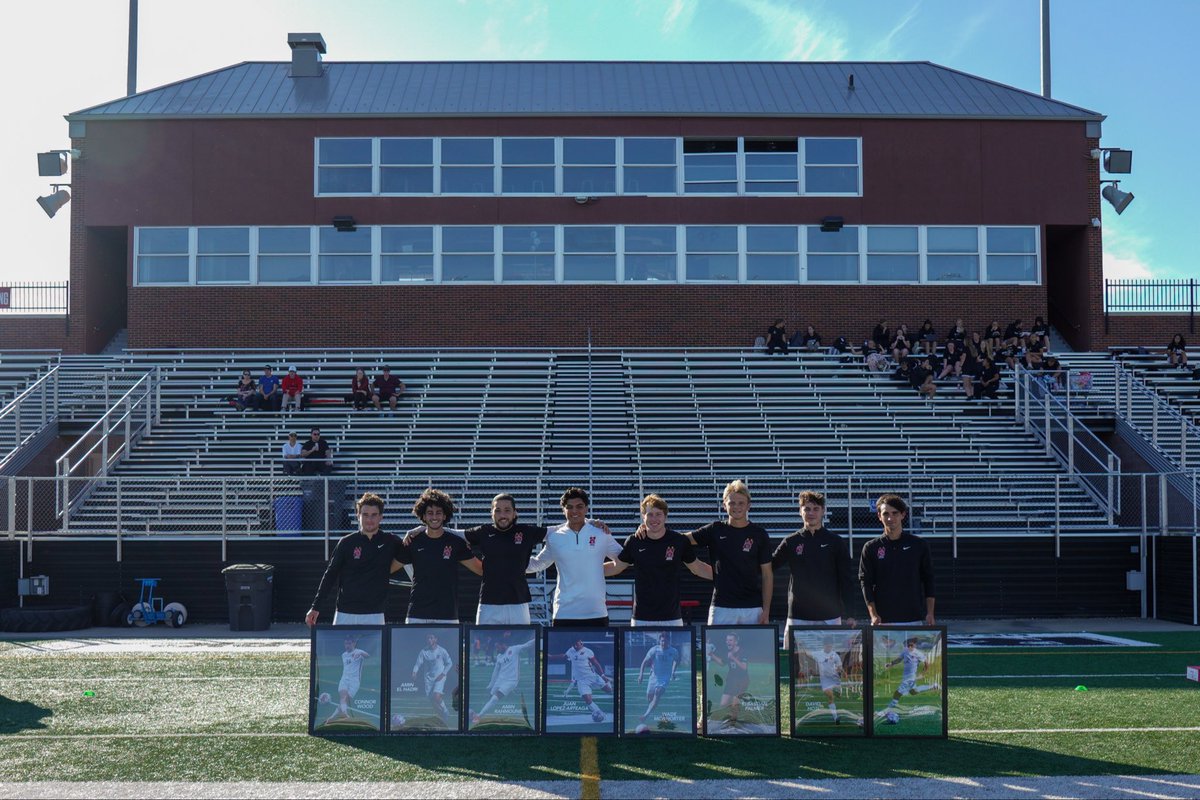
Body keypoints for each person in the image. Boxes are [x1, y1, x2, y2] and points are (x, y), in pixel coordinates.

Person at [605, 494, 713, 626]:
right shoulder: (634, 541)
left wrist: (727, 576)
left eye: (658, 514)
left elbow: (698, 568)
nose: (654, 519)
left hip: (672, 618)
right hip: (641, 618)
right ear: (643, 516)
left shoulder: (679, 541)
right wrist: (585, 570)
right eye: (650, 514)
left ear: (665, 517)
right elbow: (616, 567)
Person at [527, 487, 623, 627]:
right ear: (563, 510)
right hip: (564, 613)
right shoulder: (555, 537)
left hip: (596, 613)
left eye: (579, 507)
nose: (574, 511)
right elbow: (537, 564)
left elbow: (624, 559)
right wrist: (508, 562)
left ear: (586, 509)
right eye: (569, 507)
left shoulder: (601, 533)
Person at [771, 491, 857, 645]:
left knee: (829, 666)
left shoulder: (835, 542)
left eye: (816, 509)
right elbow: (768, 567)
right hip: (798, 616)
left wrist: (850, 613)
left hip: (829, 616)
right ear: (800, 511)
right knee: (795, 665)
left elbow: (846, 580)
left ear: (823, 511)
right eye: (807, 509)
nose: (811, 513)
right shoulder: (791, 542)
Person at [306, 493, 400, 626]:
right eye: (365, 514)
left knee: (376, 648)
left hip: (375, 614)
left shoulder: (391, 541)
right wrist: (316, 607)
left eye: (374, 515)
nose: (369, 519)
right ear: (358, 516)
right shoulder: (346, 542)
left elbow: (410, 554)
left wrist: (418, 530)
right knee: (340, 647)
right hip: (345, 613)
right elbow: (330, 575)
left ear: (381, 517)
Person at [688, 480, 773, 625]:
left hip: (752, 608)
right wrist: (650, 530)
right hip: (721, 607)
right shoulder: (715, 529)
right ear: (724, 505)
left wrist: (766, 610)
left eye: (741, 503)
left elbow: (767, 575)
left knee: (753, 648)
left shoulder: (759, 534)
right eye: (732, 503)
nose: (736, 507)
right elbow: (682, 540)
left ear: (748, 506)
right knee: (715, 648)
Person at [394, 489, 482, 624]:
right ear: (423, 516)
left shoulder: (456, 543)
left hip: (448, 615)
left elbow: (480, 569)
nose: (434, 517)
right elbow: (388, 567)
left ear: (445, 515)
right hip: (417, 614)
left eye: (438, 513)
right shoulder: (413, 542)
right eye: (430, 513)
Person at [858, 494, 935, 626]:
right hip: (883, 619)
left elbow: (929, 580)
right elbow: (866, 583)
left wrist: (930, 613)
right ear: (879, 516)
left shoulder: (919, 545)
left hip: (913, 618)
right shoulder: (870, 547)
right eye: (885, 513)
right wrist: (873, 615)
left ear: (903, 515)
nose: (890, 518)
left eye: (895, 513)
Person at [470, 633, 537, 726]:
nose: (497, 649)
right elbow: (495, 672)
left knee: (494, 699)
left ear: (503, 645)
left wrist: (537, 638)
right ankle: (511, 695)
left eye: (498, 647)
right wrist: (491, 684)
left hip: (511, 681)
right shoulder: (499, 657)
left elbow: (527, 645)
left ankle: (478, 716)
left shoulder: (514, 649)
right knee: (490, 697)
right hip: (500, 680)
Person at [881, 637, 939, 718]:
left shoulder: (918, 653)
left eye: (912, 644)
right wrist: (891, 663)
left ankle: (888, 709)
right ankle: (933, 686)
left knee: (897, 693)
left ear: (915, 645)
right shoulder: (905, 651)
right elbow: (899, 659)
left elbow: (927, 663)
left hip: (910, 678)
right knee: (913, 691)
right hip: (906, 676)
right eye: (909, 644)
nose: (910, 646)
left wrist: (923, 674)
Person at [564, 638, 614, 723]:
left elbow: (596, 663)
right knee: (587, 699)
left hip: (592, 677)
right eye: (574, 645)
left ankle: (608, 681)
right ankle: (599, 712)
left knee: (609, 690)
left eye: (577, 644)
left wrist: (602, 675)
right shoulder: (570, 651)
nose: (575, 646)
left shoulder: (588, 651)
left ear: (581, 643)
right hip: (582, 680)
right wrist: (550, 656)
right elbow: (563, 656)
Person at [708, 632, 751, 728]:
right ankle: (731, 719)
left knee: (735, 701)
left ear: (736, 642)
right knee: (723, 704)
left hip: (742, 680)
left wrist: (733, 658)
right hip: (731, 679)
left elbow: (744, 667)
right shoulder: (728, 652)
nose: (728, 642)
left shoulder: (742, 652)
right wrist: (712, 655)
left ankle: (733, 723)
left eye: (730, 640)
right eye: (727, 640)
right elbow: (722, 663)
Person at [325, 634, 370, 724]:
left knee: (344, 701)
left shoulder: (359, 651)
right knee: (343, 697)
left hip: (355, 681)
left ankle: (332, 717)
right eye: (346, 644)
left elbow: (367, 655)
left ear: (354, 643)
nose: (347, 646)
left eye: (349, 643)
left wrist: (360, 653)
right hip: (344, 679)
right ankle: (344, 714)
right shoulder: (343, 655)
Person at [411, 632, 454, 725]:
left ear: (436, 639)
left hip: (440, 677)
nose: (429, 640)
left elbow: (449, 663)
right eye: (428, 638)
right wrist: (414, 672)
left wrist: (443, 674)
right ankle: (442, 717)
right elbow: (418, 663)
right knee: (433, 702)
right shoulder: (424, 651)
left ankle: (446, 711)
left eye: (431, 638)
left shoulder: (442, 650)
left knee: (436, 696)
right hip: (428, 679)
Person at [637, 632, 680, 723]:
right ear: (659, 641)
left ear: (669, 641)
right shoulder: (654, 650)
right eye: (662, 641)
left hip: (664, 678)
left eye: (665, 641)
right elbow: (644, 662)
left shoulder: (673, 651)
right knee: (649, 698)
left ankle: (645, 716)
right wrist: (641, 674)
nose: (663, 643)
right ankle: (652, 708)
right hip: (653, 676)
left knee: (658, 691)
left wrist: (673, 671)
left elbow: (677, 660)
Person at [805, 639, 849, 725]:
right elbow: (808, 653)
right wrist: (802, 646)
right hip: (825, 680)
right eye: (827, 646)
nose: (829, 647)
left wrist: (842, 672)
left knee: (838, 695)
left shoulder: (835, 655)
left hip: (835, 679)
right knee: (830, 696)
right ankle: (836, 718)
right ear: (823, 646)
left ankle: (838, 692)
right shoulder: (819, 654)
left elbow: (840, 667)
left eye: (830, 646)